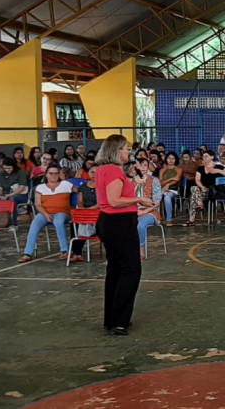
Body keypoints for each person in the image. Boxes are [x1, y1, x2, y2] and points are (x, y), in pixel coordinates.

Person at [94, 134, 153, 336]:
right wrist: (139, 199)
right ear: (116, 151)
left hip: (108, 222)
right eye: (126, 148)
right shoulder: (112, 170)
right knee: (131, 269)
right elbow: (114, 200)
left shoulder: (102, 169)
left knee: (116, 269)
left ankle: (111, 318)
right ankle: (120, 319)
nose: (129, 152)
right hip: (118, 223)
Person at [18, 164, 78, 262]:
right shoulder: (40, 187)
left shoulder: (66, 184)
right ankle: (27, 253)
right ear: (46, 174)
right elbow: (38, 204)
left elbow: (80, 192)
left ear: (59, 174)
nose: (54, 175)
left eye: (56, 173)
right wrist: (46, 214)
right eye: (51, 173)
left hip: (63, 213)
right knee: (35, 223)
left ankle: (65, 251)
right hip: (45, 213)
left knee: (58, 221)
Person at [187, 150, 225, 225]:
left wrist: (218, 171)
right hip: (204, 191)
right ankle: (200, 203)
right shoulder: (200, 169)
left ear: (212, 157)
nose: (204, 158)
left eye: (206, 156)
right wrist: (202, 187)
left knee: (194, 196)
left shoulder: (219, 167)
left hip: (214, 191)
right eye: (203, 156)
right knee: (194, 188)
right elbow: (197, 180)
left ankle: (192, 218)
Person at [133, 158, 162, 259]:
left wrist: (144, 211)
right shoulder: (131, 181)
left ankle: (141, 249)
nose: (143, 167)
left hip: (151, 211)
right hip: (133, 211)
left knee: (140, 224)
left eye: (145, 165)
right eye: (140, 165)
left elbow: (157, 203)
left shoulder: (154, 180)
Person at [0, 157, 28, 226]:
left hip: (20, 194)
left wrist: (9, 195)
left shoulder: (20, 172)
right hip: (6, 193)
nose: (7, 170)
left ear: (13, 167)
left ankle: (13, 223)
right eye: (5, 168)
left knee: (12, 200)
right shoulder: (2, 174)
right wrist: (0, 195)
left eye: (9, 168)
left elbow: (22, 187)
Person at [158, 152, 182, 227]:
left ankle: (169, 219)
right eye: (169, 158)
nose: (171, 160)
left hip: (173, 190)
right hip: (162, 189)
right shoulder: (162, 170)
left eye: (173, 158)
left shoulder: (179, 169)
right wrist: (171, 178)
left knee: (167, 197)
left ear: (176, 160)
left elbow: (177, 179)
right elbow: (160, 182)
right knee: (154, 197)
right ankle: (156, 217)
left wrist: (168, 184)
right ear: (166, 159)